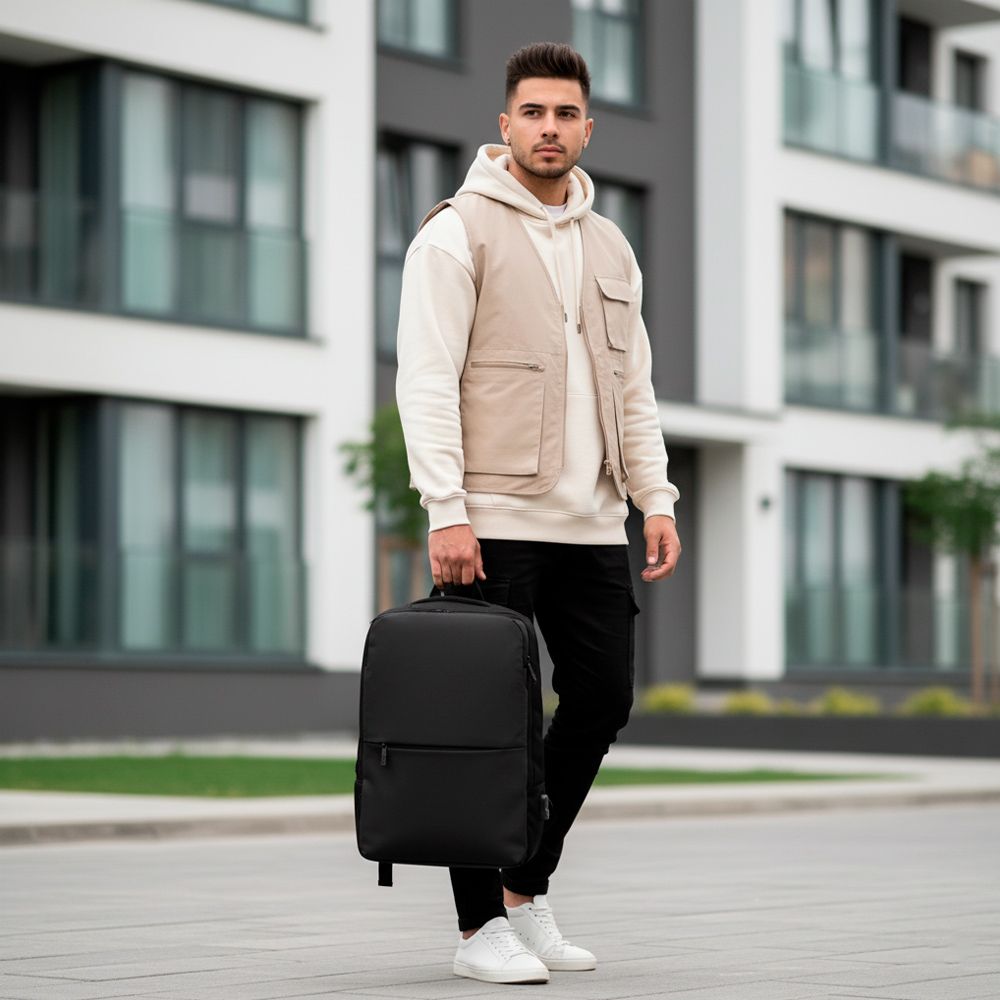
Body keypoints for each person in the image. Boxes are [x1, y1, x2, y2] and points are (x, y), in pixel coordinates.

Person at [395, 41, 681, 986]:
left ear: (587, 129)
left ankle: (525, 885)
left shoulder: (612, 245)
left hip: (593, 523)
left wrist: (655, 497)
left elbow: (633, 387)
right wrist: (445, 508)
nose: (549, 129)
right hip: (491, 519)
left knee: (602, 699)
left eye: (565, 114)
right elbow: (426, 380)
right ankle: (480, 925)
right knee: (489, 725)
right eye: (533, 113)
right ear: (505, 125)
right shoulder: (456, 233)